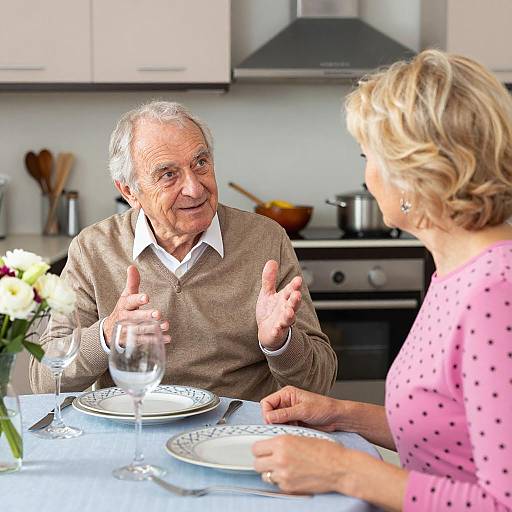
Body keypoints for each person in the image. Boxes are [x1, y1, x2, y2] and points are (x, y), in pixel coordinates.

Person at [252, 50, 512, 511]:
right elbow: (454, 431)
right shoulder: (455, 274)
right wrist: (337, 414)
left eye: (367, 156)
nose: (366, 176)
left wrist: (343, 470)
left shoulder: (496, 294)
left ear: (414, 173)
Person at [29, 101, 337, 400]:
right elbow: (44, 379)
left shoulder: (265, 240)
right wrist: (107, 335)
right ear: (128, 191)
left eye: (200, 163)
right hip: (136, 428)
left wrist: (281, 344)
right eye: (168, 174)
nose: (194, 188)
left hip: (238, 434)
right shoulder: (93, 248)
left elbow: (319, 381)